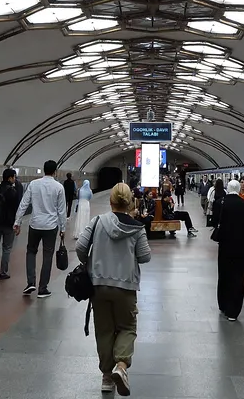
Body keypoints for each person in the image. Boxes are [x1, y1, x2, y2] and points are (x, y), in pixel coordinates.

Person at [77, 183, 151, 396]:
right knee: (127, 327)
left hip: (98, 286)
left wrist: (89, 265)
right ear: (129, 203)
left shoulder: (97, 221)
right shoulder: (136, 228)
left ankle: (107, 378)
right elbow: (145, 256)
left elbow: (81, 247)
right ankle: (121, 366)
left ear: (110, 201)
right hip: (126, 287)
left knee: (104, 330)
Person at [14, 159, 67, 298]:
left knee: (31, 252)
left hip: (35, 224)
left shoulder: (33, 184)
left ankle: (30, 282)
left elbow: (24, 203)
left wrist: (17, 222)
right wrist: (63, 228)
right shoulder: (58, 187)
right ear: (55, 171)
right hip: (51, 226)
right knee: (47, 255)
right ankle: (42, 289)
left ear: (44, 170)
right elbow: (62, 210)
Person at [214, 180, 244, 321]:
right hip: (239, 245)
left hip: (224, 245)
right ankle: (233, 311)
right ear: (238, 189)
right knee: (238, 276)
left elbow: (214, 221)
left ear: (227, 188)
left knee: (224, 274)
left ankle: (223, 304)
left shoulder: (220, 202)